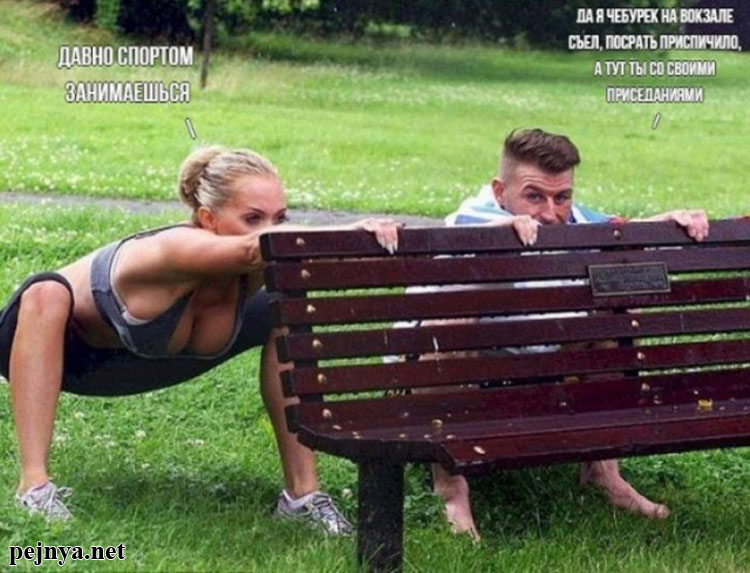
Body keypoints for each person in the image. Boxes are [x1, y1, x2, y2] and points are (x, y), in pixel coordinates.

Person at [0, 145, 401, 533]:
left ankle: (302, 496)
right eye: (253, 218)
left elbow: (294, 258)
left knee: (286, 306)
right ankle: (34, 488)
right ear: (207, 218)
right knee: (46, 292)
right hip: (65, 355)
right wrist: (341, 232)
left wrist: (367, 238)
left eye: (280, 218)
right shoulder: (174, 247)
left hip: (146, 362)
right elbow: (254, 250)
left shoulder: (257, 261)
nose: (271, 229)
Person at [432, 128, 709, 540]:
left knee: (614, 316)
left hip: (540, 365)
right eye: (534, 196)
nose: (550, 213)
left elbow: (620, 229)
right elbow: (464, 240)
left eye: (561, 197)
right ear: (500, 191)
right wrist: (500, 237)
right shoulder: (468, 218)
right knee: (450, 320)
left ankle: (604, 472)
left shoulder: (574, 218)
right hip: (449, 375)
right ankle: (450, 486)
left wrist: (671, 221)